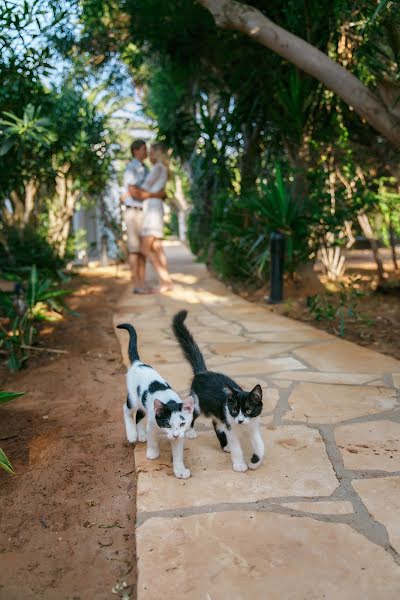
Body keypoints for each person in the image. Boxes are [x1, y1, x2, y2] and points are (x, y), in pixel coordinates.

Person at [121, 140, 165, 293]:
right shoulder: (131, 168)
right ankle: (137, 285)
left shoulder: (145, 168)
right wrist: (155, 195)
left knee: (142, 250)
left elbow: (142, 192)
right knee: (134, 249)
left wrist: (152, 195)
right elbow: (135, 193)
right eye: (144, 149)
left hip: (144, 211)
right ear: (135, 151)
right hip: (133, 211)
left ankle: (142, 283)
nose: (146, 152)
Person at [140, 143, 174, 293]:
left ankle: (166, 280)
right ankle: (165, 282)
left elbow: (144, 188)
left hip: (152, 210)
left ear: (159, 154)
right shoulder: (162, 168)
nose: (149, 156)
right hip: (155, 207)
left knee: (145, 248)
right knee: (157, 247)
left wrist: (128, 193)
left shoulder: (157, 168)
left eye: (152, 153)